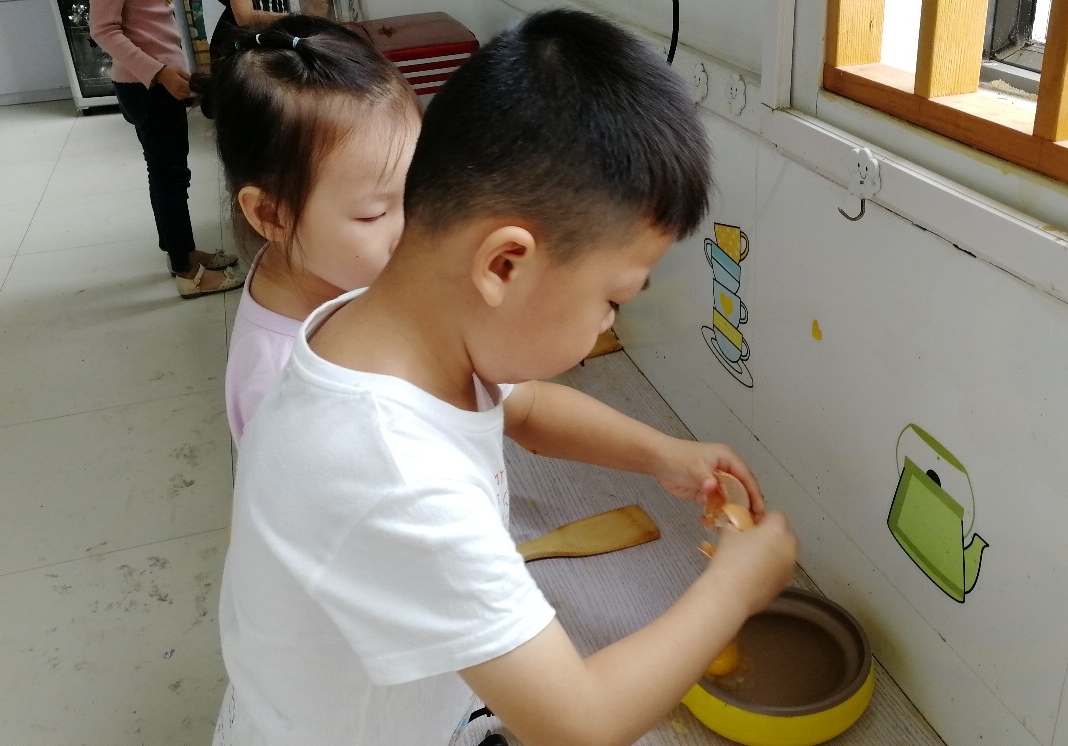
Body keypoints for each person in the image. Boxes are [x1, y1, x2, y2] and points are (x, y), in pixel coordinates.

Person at [215, 8, 799, 746]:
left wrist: (662, 453)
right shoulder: (396, 473)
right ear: (503, 264)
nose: (607, 323)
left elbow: (523, 409)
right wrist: (734, 588)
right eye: (612, 300)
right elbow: (579, 723)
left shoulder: (385, 321)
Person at [202, 16, 420, 445]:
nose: (415, 229)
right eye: (374, 214)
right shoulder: (285, 390)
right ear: (271, 215)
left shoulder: (327, 263)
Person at [89, 0, 244, 299]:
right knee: (169, 178)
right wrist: (160, 72)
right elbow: (103, 30)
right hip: (148, 86)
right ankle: (188, 274)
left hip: (157, 82)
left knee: (169, 175)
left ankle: (181, 252)